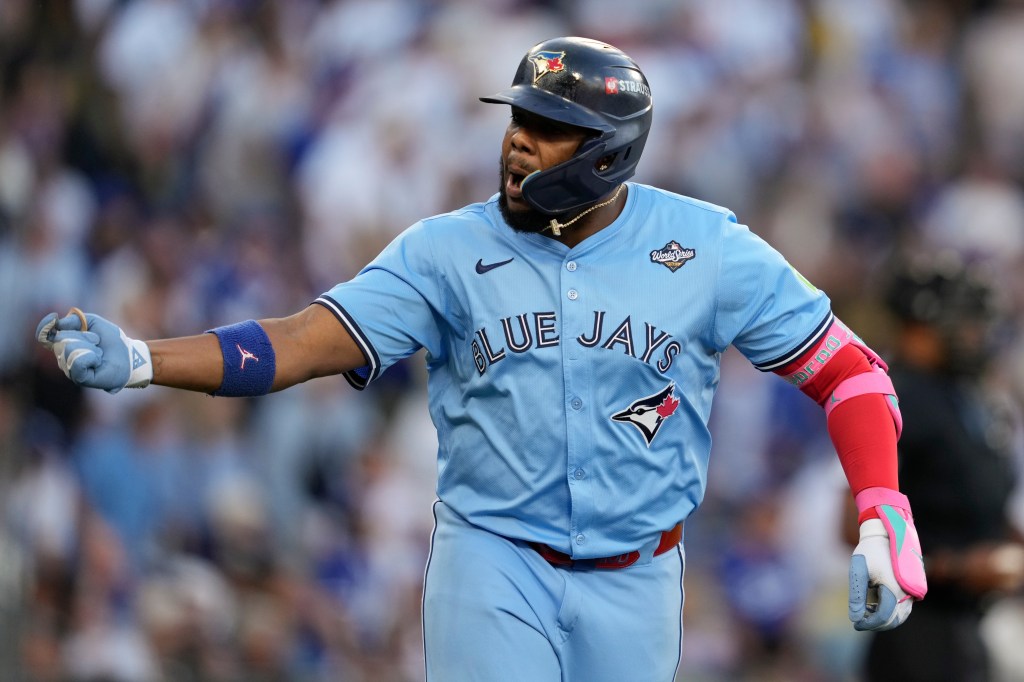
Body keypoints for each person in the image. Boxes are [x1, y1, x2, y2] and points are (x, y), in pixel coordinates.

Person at [35, 36, 927, 681]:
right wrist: (148, 358)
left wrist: (882, 509)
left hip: (641, 576)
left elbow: (851, 372)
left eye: (548, 127)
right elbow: (305, 342)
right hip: (494, 558)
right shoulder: (444, 251)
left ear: (609, 153)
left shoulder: (706, 247)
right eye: (519, 118)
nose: (518, 140)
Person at [856, 252, 1024, 682]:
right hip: (916, 630)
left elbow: (988, 504)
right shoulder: (899, 398)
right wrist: (957, 568)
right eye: (965, 323)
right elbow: (853, 526)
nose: (975, 336)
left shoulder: (969, 398)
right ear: (920, 328)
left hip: (972, 624)